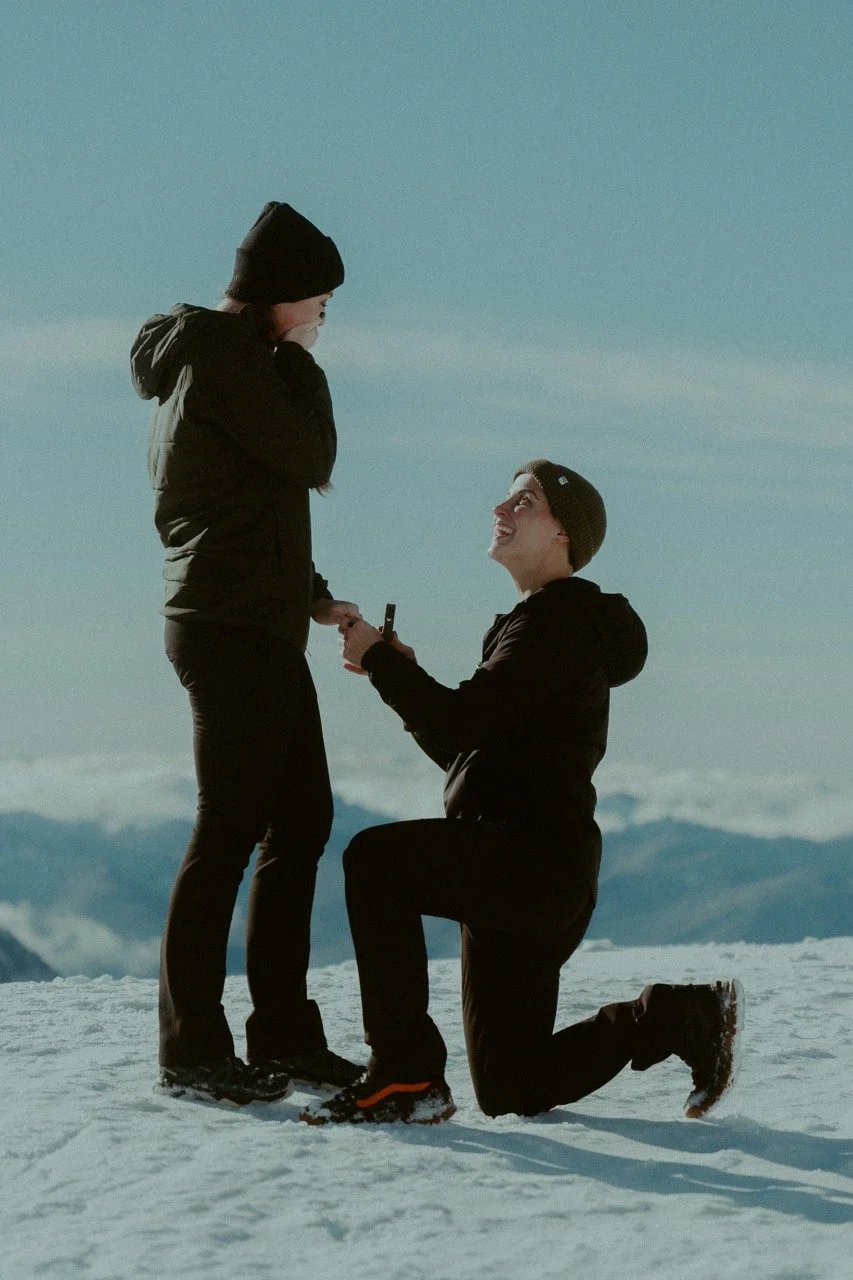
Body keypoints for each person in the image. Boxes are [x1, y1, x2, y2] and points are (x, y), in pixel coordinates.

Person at [302, 460, 743, 1125]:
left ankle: (403, 1075)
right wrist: (395, 673)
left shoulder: (555, 622)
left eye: (523, 501)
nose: (500, 509)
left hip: (526, 863)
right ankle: (675, 1016)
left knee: (374, 861)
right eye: (504, 498)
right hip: (528, 871)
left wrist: (382, 663)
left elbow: (459, 722)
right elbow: (466, 750)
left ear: (563, 532)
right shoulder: (536, 624)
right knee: (513, 1088)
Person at [131, 201, 364, 1105]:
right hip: (227, 625)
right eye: (318, 297)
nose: (323, 315)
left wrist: (309, 594)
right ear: (282, 292)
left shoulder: (225, 358)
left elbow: (244, 491)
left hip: (248, 617)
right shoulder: (231, 357)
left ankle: (282, 1037)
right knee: (231, 826)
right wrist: (305, 368)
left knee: (298, 820)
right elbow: (308, 457)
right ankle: (192, 1049)